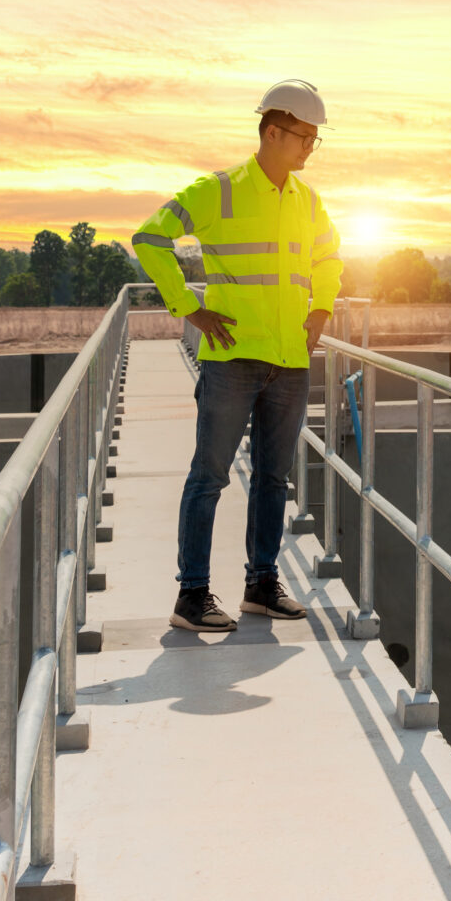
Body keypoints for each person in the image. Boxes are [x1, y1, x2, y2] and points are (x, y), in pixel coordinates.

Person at [130, 80, 343, 632]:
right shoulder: (218, 191)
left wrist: (321, 311)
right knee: (210, 476)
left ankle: (261, 584)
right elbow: (150, 238)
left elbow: (329, 259)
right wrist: (189, 309)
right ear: (272, 132)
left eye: (315, 141)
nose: (309, 149)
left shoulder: (308, 201)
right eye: (304, 138)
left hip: (290, 360)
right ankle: (192, 595)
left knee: (274, 479)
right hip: (232, 359)